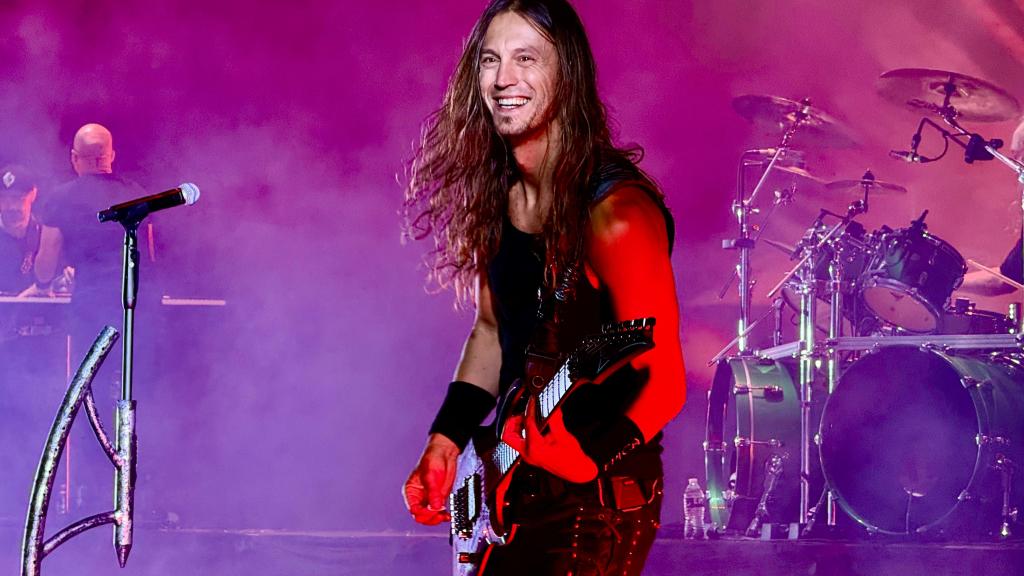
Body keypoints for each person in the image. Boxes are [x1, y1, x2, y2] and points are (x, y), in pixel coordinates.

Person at [401, 1, 686, 574]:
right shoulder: (498, 196)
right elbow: (492, 331)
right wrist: (446, 439)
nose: (502, 79)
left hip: (595, 505)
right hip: (514, 488)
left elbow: (664, 379)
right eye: (490, 60)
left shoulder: (617, 214)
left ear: (567, 74)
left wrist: (589, 457)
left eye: (526, 58)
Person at [0, 165, 62, 296]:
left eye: (18, 198)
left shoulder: (46, 235)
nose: (11, 207)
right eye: (3, 198)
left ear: (33, 194)